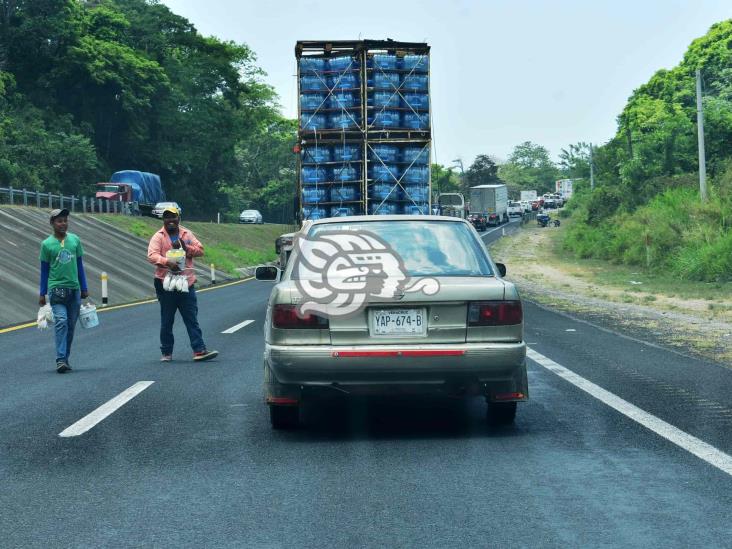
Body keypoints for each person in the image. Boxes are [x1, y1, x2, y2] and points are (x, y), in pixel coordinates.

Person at [147, 206, 218, 362]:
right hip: (165, 283)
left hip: (186, 281)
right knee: (167, 319)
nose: (170, 220)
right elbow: (152, 256)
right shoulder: (158, 236)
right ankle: (166, 352)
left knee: (191, 317)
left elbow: (201, 250)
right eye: (167, 217)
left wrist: (186, 248)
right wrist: (167, 262)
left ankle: (199, 350)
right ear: (163, 220)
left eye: (173, 217)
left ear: (179, 218)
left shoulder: (186, 234)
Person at [39, 208, 89, 373]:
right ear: (52, 223)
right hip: (56, 290)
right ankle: (60, 359)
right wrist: (42, 293)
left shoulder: (75, 240)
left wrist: (84, 287)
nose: (63, 224)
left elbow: (79, 265)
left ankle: (65, 358)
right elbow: (44, 270)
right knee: (61, 322)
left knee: (71, 326)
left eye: (65, 220)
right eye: (59, 221)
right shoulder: (46, 244)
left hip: (74, 290)